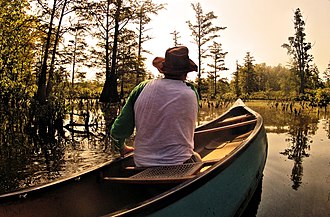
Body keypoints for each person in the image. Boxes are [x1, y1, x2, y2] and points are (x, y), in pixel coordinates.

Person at [110, 46, 201, 167]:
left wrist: (122, 148)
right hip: (179, 163)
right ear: (186, 73)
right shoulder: (191, 91)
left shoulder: (142, 88)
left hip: (141, 163)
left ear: (163, 70)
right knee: (198, 157)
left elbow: (118, 131)